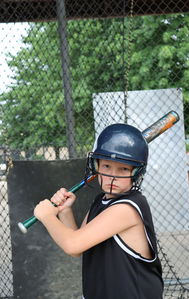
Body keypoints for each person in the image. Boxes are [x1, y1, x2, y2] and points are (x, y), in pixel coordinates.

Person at [34, 123, 164, 299]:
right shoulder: (101, 201)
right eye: (107, 166)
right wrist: (64, 211)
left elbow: (72, 245)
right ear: (96, 166)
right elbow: (80, 243)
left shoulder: (127, 208)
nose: (113, 176)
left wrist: (47, 217)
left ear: (136, 172)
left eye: (123, 169)